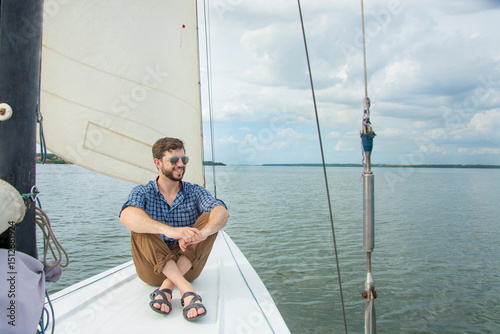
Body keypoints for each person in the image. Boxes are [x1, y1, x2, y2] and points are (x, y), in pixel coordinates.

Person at [120, 137, 229, 321]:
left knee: (210, 218)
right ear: (158, 163)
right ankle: (187, 290)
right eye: (174, 160)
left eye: (183, 160)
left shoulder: (195, 191)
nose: (181, 164)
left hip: (188, 266)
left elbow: (222, 212)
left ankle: (168, 287)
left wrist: (201, 234)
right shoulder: (143, 192)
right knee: (139, 221)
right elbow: (126, 216)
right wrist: (170, 231)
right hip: (152, 269)